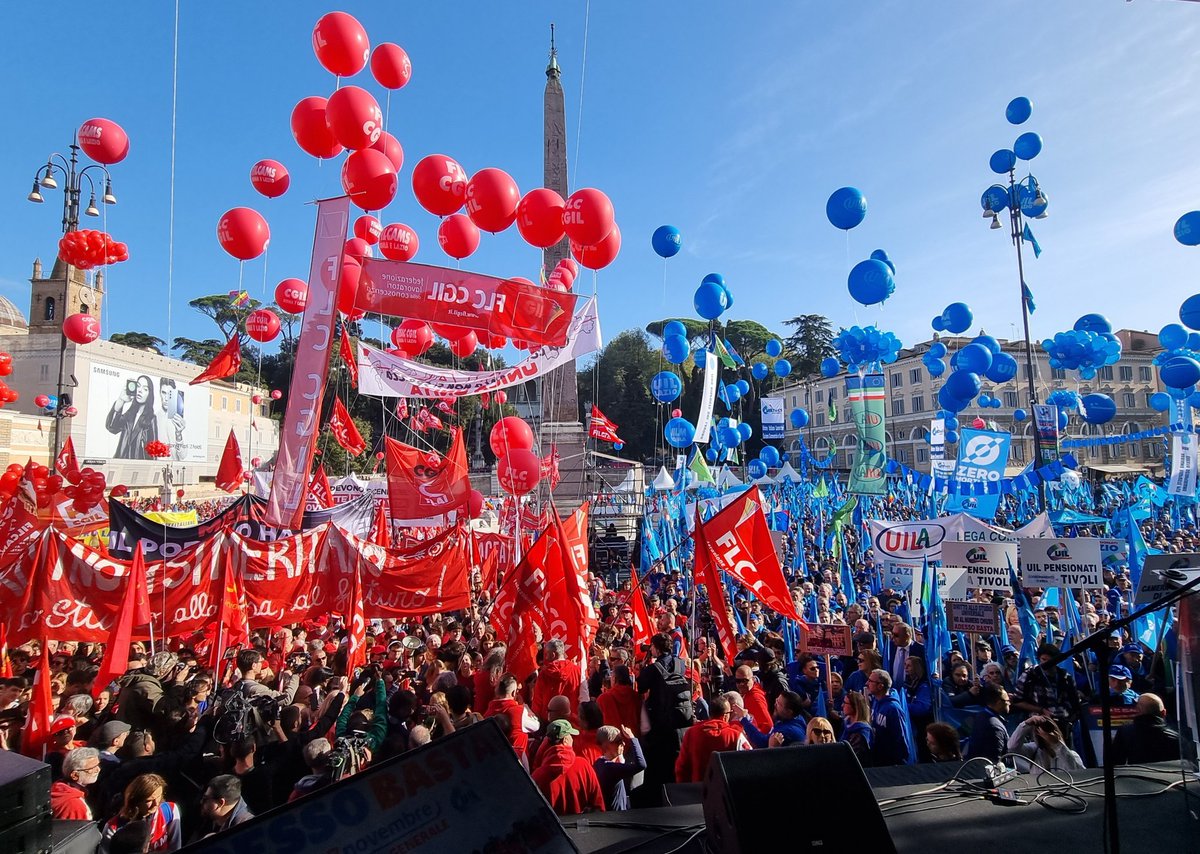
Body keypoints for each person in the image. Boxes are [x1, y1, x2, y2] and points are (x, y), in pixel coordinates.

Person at [635, 632, 694, 805]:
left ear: (656, 648)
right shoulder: (680, 664)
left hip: (661, 725)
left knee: (659, 766)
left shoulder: (653, 669)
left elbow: (640, 687)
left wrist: (644, 666)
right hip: (681, 723)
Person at [530, 720, 606, 816]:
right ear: (565, 740)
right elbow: (598, 805)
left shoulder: (537, 776)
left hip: (555, 830)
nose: (573, 739)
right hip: (583, 828)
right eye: (571, 736)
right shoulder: (583, 765)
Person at [674, 695, 750, 783]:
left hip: (698, 792)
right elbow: (749, 763)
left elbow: (681, 767)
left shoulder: (691, 733)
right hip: (727, 792)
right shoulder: (735, 736)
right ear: (725, 716)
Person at [99, 773, 181, 853]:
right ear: (135, 800)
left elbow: (176, 849)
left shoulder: (170, 810)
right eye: (149, 800)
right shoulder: (114, 827)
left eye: (158, 797)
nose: (156, 803)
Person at [1012, 642, 1082, 737]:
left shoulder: (1065, 676)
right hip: (1039, 724)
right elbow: (1017, 701)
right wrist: (1041, 710)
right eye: (1043, 659)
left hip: (1063, 725)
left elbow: (1075, 703)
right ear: (1039, 659)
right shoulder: (1030, 675)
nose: (1046, 663)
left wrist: (1070, 720)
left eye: (1050, 660)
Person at [485, 673, 539, 767]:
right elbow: (536, 726)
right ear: (514, 693)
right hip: (517, 762)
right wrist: (525, 707)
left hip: (495, 761)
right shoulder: (519, 711)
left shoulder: (487, 713)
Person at [1111, 693, 1182, 764]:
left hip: (1136, 774)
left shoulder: (1125, 732)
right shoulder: (1177, 738)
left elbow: (1116, 763)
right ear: (1164, 713)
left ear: (1138, 711)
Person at [591, 725, 646, 811]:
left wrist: (619, 753)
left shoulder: (599, 763)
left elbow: (621, 764)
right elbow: (641, 765)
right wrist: (632, 738)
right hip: (617, 817)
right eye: (618, 742)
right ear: (606, 745)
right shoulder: (610, 769)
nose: (623, 744)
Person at [106, 374, 159, 460]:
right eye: (138, 386)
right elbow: (112, 428)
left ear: (150, 394)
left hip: (137, 467)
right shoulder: (129, 414)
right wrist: (121, 400)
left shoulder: (151, 418)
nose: (140, 391)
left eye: (145, 389)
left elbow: (153, 452)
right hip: (119, 463)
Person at [1007, 715, 1085, 771]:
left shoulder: (1072, 755)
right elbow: (1012, 747)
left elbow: (1076, 773)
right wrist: (1026, 724)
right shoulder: (1034, 750)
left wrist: (1057, 744)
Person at [866, 669, 909, 766]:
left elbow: (901, 738)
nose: (867, 683)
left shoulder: (893, 709)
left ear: (880, 686)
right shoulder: (876, 703)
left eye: (870, 681)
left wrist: (900, 763)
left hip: (891, 764)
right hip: (878, 760)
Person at [192, 775, 254, 841]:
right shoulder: (207, 820)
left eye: (205, 799)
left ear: (221, 803)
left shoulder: (245, 831)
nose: (201, 802)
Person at [532, 640, 583, 721]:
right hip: (572, 720)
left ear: (553, 654)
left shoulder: (544, 674)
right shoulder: (578, 671)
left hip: (549, 721)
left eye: (546, 654)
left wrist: (537, 719)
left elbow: (537, 701)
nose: (545, 657)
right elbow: (583, 697)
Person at [740, 691, 807, 749]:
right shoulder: (796, 717)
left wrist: (743, 719)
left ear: (789, 712)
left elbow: (761, 742)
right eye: (776, 700)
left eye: (779, 704)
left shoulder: (787, 731)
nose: (775, 704)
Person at [51, 747, 101, 820]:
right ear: (75, 775)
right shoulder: (75, 806)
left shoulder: (57, 787)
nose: (98, 770)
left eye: (98, 765)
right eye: (92, 768)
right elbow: (82, 830)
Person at [965, 683, 1010, 763]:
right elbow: (995, 760)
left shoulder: (980, 715)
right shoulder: (995, 728)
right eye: (1007, 701)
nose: (1009, 703)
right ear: (999, 703)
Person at [596, 665, 641, 735]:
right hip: (633, 740)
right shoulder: (637, 697)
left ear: (614, 678)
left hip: (611, 742)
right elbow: (645, 726)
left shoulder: (603, 698)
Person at [732, 665, 772, 733]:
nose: (741, 684)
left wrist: (751, 736)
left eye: (745, 680)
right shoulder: (748, 692)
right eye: (738, 681)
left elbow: (768, 725)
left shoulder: (755, 698)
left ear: (753, 679)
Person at [840, 692, 874, 767]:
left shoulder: (861, 732)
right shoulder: (847, 723)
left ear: (855, 706)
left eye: (845, 703)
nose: (842, 706)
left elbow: (857, 758)